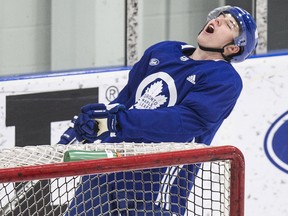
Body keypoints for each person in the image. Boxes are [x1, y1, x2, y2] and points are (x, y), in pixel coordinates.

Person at [60, 5, 258, 215]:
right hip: (108, 166)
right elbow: (127, 98)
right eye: (219, 16)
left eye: (228, 24)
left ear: (232, 48)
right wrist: (92, 125)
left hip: (156, 183)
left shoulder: (224, 79)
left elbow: (184, 123)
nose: (218, 20)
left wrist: (117, 122)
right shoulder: (163, 51)